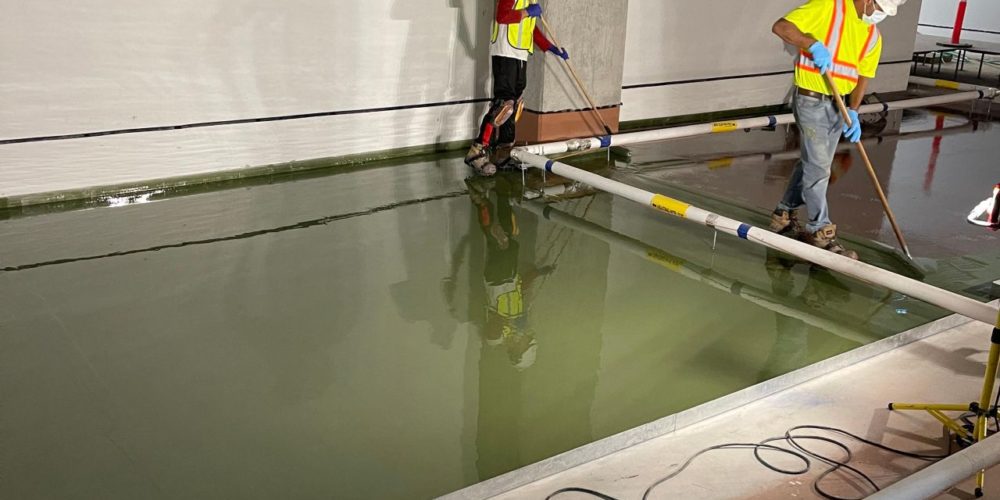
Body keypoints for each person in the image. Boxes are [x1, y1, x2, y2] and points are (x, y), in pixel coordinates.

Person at [769, 0, 907, 259]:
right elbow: (781, 27)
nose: (879, 16)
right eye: (879, 8)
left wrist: (853, 111)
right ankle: (820, 230)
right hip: (810, 99)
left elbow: (863, 76)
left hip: (839, 103)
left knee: (813, 163)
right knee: (819, 167)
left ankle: (783, 213)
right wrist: (811, 44)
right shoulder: (829, 7)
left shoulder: (872, 35)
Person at [465, 0, 570, 176]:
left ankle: (503, 153)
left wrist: (550, 47)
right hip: (505, 52)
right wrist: (527, 12)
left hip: (520, 54)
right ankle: (477, 151)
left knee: (514, 106)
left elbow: (531, 29)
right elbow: (502, 16)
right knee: (503, 105)